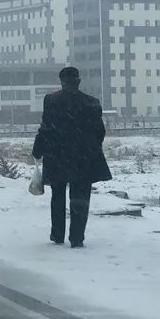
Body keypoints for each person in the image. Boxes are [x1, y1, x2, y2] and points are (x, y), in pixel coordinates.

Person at [32, 67, 112, 248]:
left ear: (62, 81)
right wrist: (91, 148)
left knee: (57, 195)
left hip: (57, 155)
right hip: (84, 157)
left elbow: (46, 128)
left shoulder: (51, 100)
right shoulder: (92, 102)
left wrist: (38, 150)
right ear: (79, 80)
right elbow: (100, 131)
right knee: (81, 197)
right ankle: (77, 238)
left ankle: (57, 234)